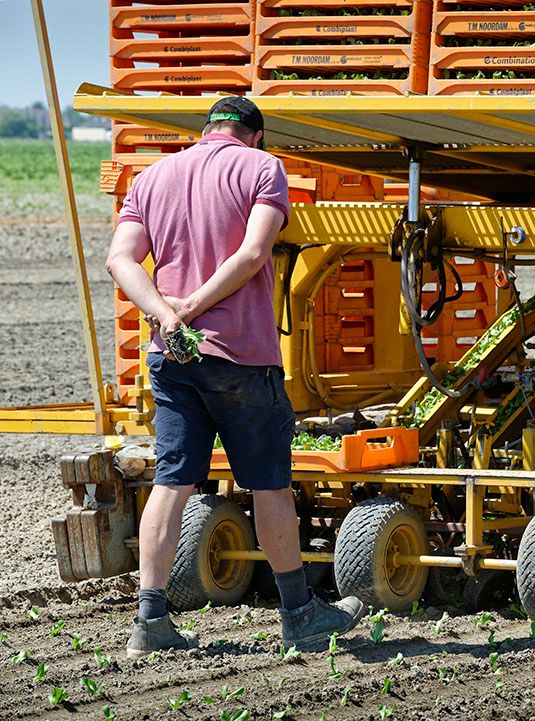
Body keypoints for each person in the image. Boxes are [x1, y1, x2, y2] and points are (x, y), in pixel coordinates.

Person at [106, 97, 363, 658]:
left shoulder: (152, 177)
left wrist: (165, 314)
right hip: (241, 356)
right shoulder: (260, 168)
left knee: (172, 479)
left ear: (205, 130)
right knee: (268, 481)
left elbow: (120, 260)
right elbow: (253, 253)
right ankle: (299, 614)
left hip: (171, 356)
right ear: (257, 135)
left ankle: (150, 620)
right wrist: (194, 306)